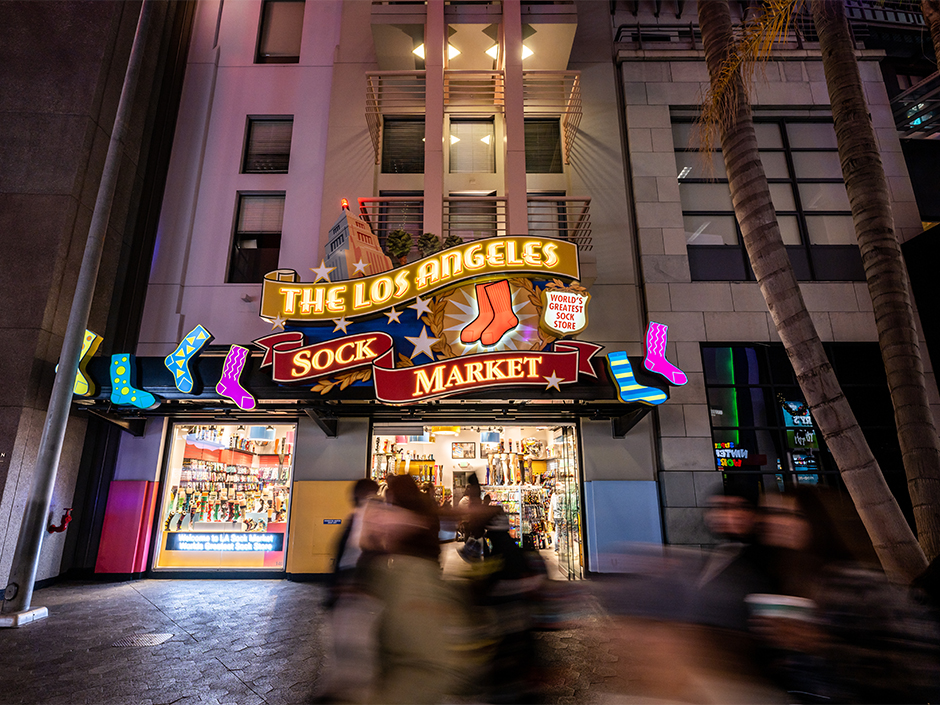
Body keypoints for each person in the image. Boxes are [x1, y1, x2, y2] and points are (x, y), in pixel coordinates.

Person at [751, 486, 940, 704]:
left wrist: (821, 645)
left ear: (816, 521)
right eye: (771, 514)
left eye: (792, 515)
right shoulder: (789, 582)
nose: (776, 522)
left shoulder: (856, 581)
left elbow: (916, 662)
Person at [688, 486, 774, 632]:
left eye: (737, 507)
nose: (723, 515)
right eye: (715, 508)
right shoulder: (713, 555)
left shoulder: (769, 560)